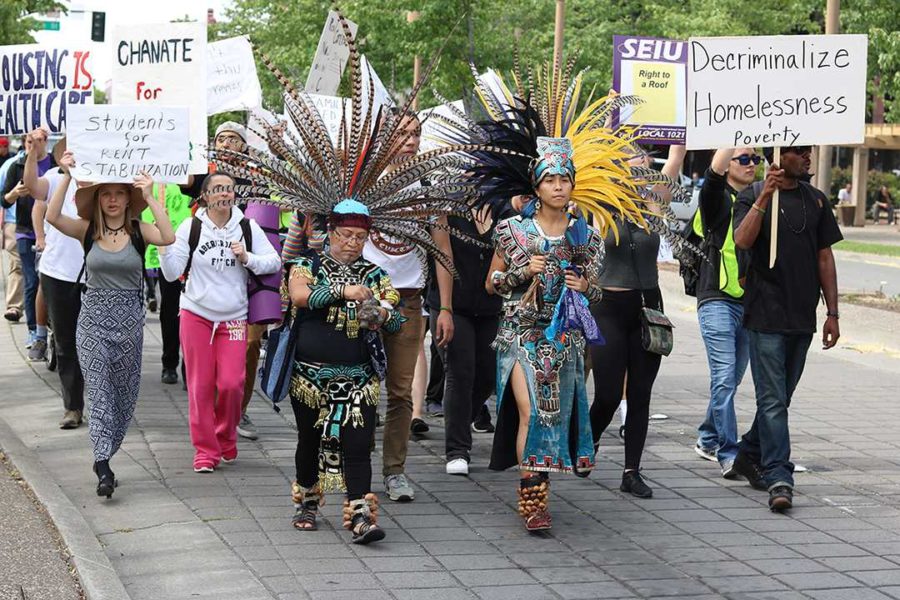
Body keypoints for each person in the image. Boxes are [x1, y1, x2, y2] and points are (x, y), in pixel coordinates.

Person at [46, 150, 175, 498]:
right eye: (106, 193)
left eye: (119, 193)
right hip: (92, 323)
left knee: (122, 397)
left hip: (130, 324)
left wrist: (150, 196)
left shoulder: (138, 231)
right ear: (98, 199)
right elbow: (53, 215)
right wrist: (67, 175)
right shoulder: (86, 230)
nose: (113, 199)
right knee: (100, 392)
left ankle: (106, 451)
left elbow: (168, 236)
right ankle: (102, 466)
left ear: (127, 199)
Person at [732, 145, 842, 511]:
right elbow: (742, 240)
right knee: (773, 402)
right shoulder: (751, 195)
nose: (809, 157)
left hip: (801, 315)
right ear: (778, 156)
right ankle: (779, 475)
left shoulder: (817, 200)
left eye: (809, 151)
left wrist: (833, 313)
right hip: (764, 315)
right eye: (800, 152)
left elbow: (825, 256)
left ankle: (748, 451)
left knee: (781, 399)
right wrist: (765, 193)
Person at [286, 199, 402, 544]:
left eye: (360, 237)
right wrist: (343, 291)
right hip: (309, 375)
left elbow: (395, 314)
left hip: (358, 375)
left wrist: (382, 316)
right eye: (346, 235)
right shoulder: (306, 264)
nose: (352, 242)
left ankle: (361, 515)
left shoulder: (374, 273)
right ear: (331, 232)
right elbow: (299, 296)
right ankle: (307, 501)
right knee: (309, 439)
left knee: (358, 443)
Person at [361, 108, 456, 503]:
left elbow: (442, 250)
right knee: (360, 387)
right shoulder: (361, 185)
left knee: (400, 393)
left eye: (416, 133)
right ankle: (356, 463)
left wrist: (446, 307)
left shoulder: (429, 188)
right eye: (403, 134)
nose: (412, 141)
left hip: (409, 302)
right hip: (364, 302)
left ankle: (395, 471)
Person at [159, 173, 281, 473]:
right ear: (205, 196)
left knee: (231, 383)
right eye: (217, 189)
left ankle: (226, 435)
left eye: (228, 188)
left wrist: (248, 258)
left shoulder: (247, 227)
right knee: (200, 385)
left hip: (234, 317)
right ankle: (205, 451)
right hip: (196, 314)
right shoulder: (192, 226)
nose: (224, 193)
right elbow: (173, 273)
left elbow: (274, 261)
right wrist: (163, 247)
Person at [589, 144, 686, 500]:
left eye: (642, 160)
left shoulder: (653, 204)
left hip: (647, 307)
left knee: (640, 394)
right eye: (628, 161)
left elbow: (676, 155)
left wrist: (679, 117)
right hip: (608, 308)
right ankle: (591, 437)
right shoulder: (599, 205)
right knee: (609, 395)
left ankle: (632, 471)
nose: (637, 167)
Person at [434, 200, 513, 475]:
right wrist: (445, 308)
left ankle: (459, 421)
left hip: (491, 307)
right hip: (453, 304)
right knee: (460, 370)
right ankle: (457, 449)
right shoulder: (447, 208)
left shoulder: (505, 211)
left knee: (488, 375)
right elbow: (443, 255)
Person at [692, 148, 757, 478]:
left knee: (729, 379)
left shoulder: (758, 201)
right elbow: (712, 179)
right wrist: (730, 131)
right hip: (716, 300)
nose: (751, 164)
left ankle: (707, 436)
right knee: (724, 377)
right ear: (728, 163)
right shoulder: (716, 200)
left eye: (755, 159)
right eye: (743, 158)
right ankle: (728, 453)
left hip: (748, 306)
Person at [24, 133, 87, 429]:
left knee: (95, 342)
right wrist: (32, 153)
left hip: (96, 273)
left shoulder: (104, 181)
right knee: (65, 342)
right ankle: (73, 407)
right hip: (58, 272)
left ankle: (100, 400)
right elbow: (34, 189)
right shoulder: (53, 176)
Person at [2, 129, 55, 354]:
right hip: (25, 231)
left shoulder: (55, 166)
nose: (34, 144)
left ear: (46, 141)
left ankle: (53, 327)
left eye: (39, 140)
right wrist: (14, 193)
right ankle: (35, 332)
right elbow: (4, 200)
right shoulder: (17, 166)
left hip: (53, 233)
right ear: (24, 142)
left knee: (49, 282)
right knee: (31, 281)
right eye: (29, 140)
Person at [1, 141, 25, 323]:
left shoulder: (50, 164)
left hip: (42, 223)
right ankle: (15, 306)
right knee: (17, 264)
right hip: (14, 221)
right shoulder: (11, 166)